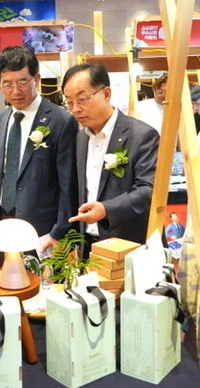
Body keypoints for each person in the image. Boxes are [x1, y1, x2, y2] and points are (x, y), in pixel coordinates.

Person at [0, 46, 78, 254]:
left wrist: (59, 231)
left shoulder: (61, 121)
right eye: (7, 84)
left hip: (42, 228)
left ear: (36, 79)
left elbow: (68, 184)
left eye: (22, 82)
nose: (15, 91)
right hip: (4, 222)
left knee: (40, 276)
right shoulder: (1, 118)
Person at [62, 63, 160, 256]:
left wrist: (107, 209)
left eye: (82, 99)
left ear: (106, 94)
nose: (75, 109)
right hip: (88, 245)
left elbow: (149, 190)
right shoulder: (81, 138)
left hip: (128, 245)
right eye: (69, 102)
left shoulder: (142, 135)